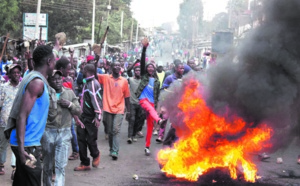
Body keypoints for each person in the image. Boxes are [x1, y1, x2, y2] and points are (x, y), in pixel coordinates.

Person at [4, 45, 55, 186]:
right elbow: (22, 116)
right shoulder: (36, 83)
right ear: (49, 61)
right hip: (27, 145)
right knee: (34, 179)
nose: (55, 64)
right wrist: (21, 150)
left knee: (22, 181)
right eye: (54, 61)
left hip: (27, 142)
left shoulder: (32, 76)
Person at [41, 70, 81, 186]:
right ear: (49, 80)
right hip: (48, 131)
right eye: (54, 79)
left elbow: (78, 110)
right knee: (47, 166)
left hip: (64, 131)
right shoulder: (44, 93)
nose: (57, 81)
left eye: (59, 78)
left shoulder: (69, 93)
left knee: (60, 166)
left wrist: (70, 105)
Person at [135, 37, 164, 156]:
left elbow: (157, 95)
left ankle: (147, 147)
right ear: (146, 69)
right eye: (148, 67)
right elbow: (142, 61)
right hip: (143, 100)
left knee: (150, 127)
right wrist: (144, 49)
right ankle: (159, 120)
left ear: (154, 69)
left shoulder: (156, 81)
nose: (150, 68)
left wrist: (158, 105)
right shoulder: (144, 76)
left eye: (152, 67)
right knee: (151, 111)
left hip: (152, 103)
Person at [97, 62, 130, 160]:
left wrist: (128, 110)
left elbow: (127, 96)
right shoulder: (106, 78)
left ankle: (115, 150)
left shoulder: (124, 81)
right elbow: (94, 75)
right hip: (107, 108)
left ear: (120, 68)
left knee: (116, 130)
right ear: (111, 68)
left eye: (118, 65)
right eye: (114, 65)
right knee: (110, 131)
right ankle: (111, 148)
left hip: (119, 109)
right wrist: (97, 61)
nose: (117, 67)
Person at [74, 64, 102, 171]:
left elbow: (96, 100)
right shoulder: (87, 82)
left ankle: (96, 154)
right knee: (81, 139)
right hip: (83, 115)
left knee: (91, 139)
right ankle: (85, 163)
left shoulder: (93, 84)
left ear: (86, 71)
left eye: (83, 69)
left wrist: (98, 116)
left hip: (91, 117)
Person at [0, 64, 21, 178]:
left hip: (17, 121)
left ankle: (15, 168)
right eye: (14, 73)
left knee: (16, 145)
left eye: (18, 73)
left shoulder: (22, 87)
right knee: (2, 144)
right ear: (9, 75)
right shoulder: (4, 87)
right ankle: (1, 164)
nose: (17, 75)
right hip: (4, 120)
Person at [127, 65, 146, 143]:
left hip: (141, 103)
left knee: (138, 120)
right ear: (134, 72)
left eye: (139, 70)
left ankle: (134, 134)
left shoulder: (143, 80)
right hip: (132, 103)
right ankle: (130, 136)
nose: (138, 72)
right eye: (136, 70)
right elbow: (128, 71)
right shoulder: (130, 80)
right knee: (132, 119)